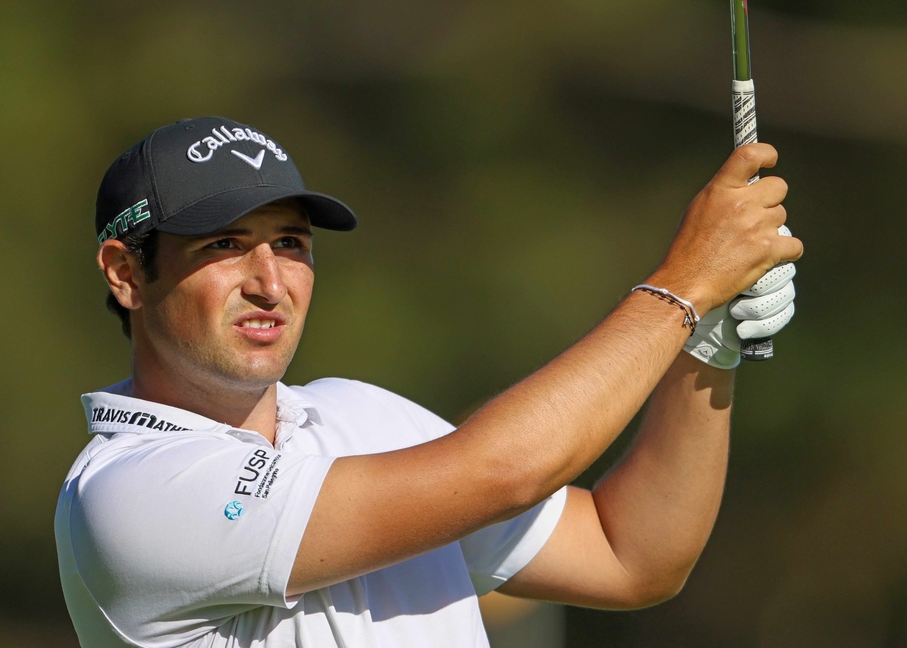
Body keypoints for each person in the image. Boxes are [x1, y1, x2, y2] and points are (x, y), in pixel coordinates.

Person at [55, 116, 801, 647]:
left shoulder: (363, 415)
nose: (270, 283)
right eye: (225, 244)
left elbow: (629, 553)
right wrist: (683, 287)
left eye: (289, 243)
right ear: (126, 273)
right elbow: (503, 470)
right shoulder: (126, 493)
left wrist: (705, 343)